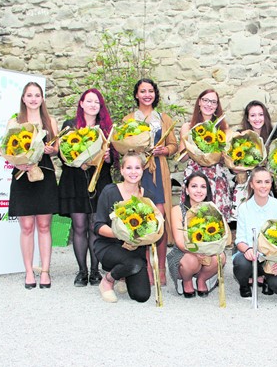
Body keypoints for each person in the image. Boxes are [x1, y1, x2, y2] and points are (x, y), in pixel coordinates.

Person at [123, 78, 177, 286]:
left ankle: (160, 268)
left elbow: (173, 144)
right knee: (139, 219)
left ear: (155, 94)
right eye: (143, 91)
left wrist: (166, 150)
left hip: (158, 172)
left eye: (150, 91)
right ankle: (145, 268)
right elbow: (122, 145)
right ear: (136, 94)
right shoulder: (129, 119)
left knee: (159, 220)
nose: (147, 94)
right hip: (137, 172)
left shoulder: (164, 118)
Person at [59, 88, 113, 287]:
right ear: (81, 104)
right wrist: (75, 160)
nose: (92, 105)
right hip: (75, 181)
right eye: (89, 101)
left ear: (100, 107)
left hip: (99, 182)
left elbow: (113, 158)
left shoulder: (106, 129)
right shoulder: (69, 126)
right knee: (79, 226)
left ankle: (95, 271)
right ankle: (81, 270)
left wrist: (108, 157)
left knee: (94, 227)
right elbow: (61, 154)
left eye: (96, 102)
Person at [8, 82, 59, 289]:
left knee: (44, 226)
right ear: (23, 98)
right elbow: (7, 148)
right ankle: (29, 271)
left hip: (44, 174)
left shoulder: (50, 120)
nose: (33, 99)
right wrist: (18, 161)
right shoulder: (15, 120)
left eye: (37, 95)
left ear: (42, 99)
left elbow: (57, 149)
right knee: (27, 227)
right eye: (29, 95)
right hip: (22, 175)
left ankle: (45, 271)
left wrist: (50, 151)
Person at [94, 152, 152, 303]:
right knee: (134, 263)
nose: (133, 172)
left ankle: (123, 276)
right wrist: (122, 234)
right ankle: (108, 280)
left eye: (137, 168)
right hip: (109, 245)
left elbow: (152, 227)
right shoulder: (109, 191)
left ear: (143, 170)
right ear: (121, 170)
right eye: (129, 167)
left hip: (134, 249)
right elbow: (98, 226)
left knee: (142, 296)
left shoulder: (147, 197)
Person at [167, 171, 225, 298]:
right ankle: (186, 281)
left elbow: (220, 236)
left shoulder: (212, 209)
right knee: (191, 260)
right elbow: (179, 241)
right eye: (194, 186)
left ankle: (202, 279)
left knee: (220, 257)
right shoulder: (177, 210)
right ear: (187, 190)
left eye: (203, 187)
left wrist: (209, 250)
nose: (199, 190)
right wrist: (196, 252)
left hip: (207, 251)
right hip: (183, 253)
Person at [233, 166, 277, 297]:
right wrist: (247, 250)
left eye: (267, 182)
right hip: (249, 255)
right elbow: (239, 240)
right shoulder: (244, 208)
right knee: (241, 264)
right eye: (259, 182)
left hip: (272, 256)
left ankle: (265, 278)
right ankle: (244, 283)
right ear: (251, 184)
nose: (263, 186)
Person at [178, 89, 234, 221]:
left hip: (216, 176)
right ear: (199, 102)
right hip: (194, 175)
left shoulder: (224, 129)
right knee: (194, 218)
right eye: (206, 100)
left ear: (217, 106)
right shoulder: (187, 127)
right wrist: (193, 144)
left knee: (216, 219)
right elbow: (182, 159)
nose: (209, 104)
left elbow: (227, 159)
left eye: (213, 102)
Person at [232, 100, 274, 216]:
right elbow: (232, 164)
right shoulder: (239, 136)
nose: (257, 119)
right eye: (253, 115)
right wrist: (237, 167)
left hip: (265, 188)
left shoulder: (272, 136)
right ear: (248, 118)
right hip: (244, 186)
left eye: (261, 115)